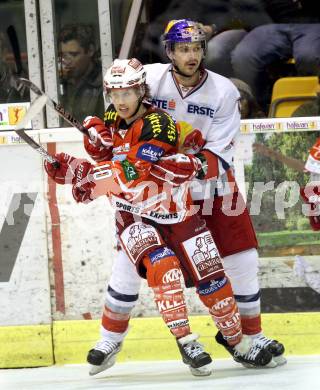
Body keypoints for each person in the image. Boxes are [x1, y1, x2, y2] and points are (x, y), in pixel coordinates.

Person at [75, 20, 286, 374]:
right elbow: (119, 104)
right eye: (183, 49)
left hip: (209, 188)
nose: (191, 55)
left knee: (242, 259)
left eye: (197, 48)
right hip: (154, 193)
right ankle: (110, 337)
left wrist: (182, 166)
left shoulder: (223, 92)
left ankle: (251, 336)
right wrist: (105, 136)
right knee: (130, 260)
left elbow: (219, 154)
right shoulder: (150, 77)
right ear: (169, 51)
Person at [57, 24, 104, 122]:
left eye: (73, 54)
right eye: (62, 55)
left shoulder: (102, 84)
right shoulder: (59, 83)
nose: (66, 61)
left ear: (90, 50)